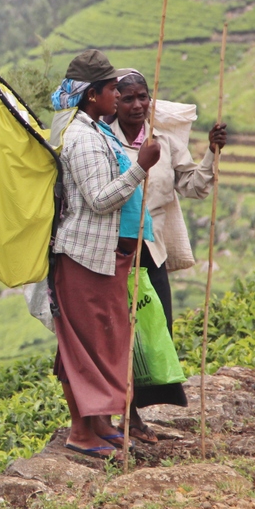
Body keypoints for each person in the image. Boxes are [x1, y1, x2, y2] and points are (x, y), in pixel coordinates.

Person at [50, 50, 161, 461]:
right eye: (113, 88)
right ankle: (82, 433)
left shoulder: (95, 129)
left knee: (102, 341)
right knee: (82, 345)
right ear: (94, 94)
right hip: (82, 257)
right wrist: (140, 169)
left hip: (101, 256)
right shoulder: (81, 139)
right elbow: (98, 200)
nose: (119, 95)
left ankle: (99, 424)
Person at [109, 68, 228, 443]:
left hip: (152, 247)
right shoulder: (103, 139)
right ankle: (122, 415)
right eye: (128, 98)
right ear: (114, 102)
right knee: (118, 333)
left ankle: (137, 413)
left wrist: (211, 153)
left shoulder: (164, 139)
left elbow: (191, 185)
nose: (138, 105)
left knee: (154, 331)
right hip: (113, 250)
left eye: (143, 97)